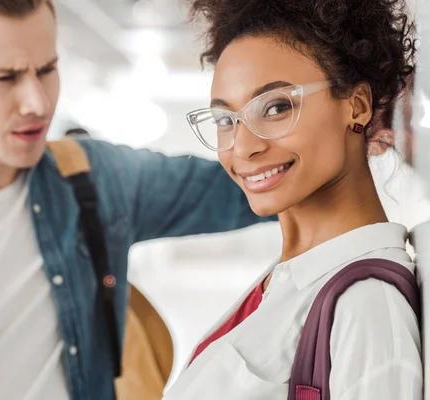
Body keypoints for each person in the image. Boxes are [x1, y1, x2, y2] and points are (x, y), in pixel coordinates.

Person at [0, 1, 270, 399]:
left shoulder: (96, 179)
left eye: (47, 69)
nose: (38, 103)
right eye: (5, 78)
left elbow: (244, 185)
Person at [163, 0, 421, 398]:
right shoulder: (288, 277)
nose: (242, 147)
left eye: (277, 107)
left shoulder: (366, 305)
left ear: (357, 105)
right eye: (225, 120)